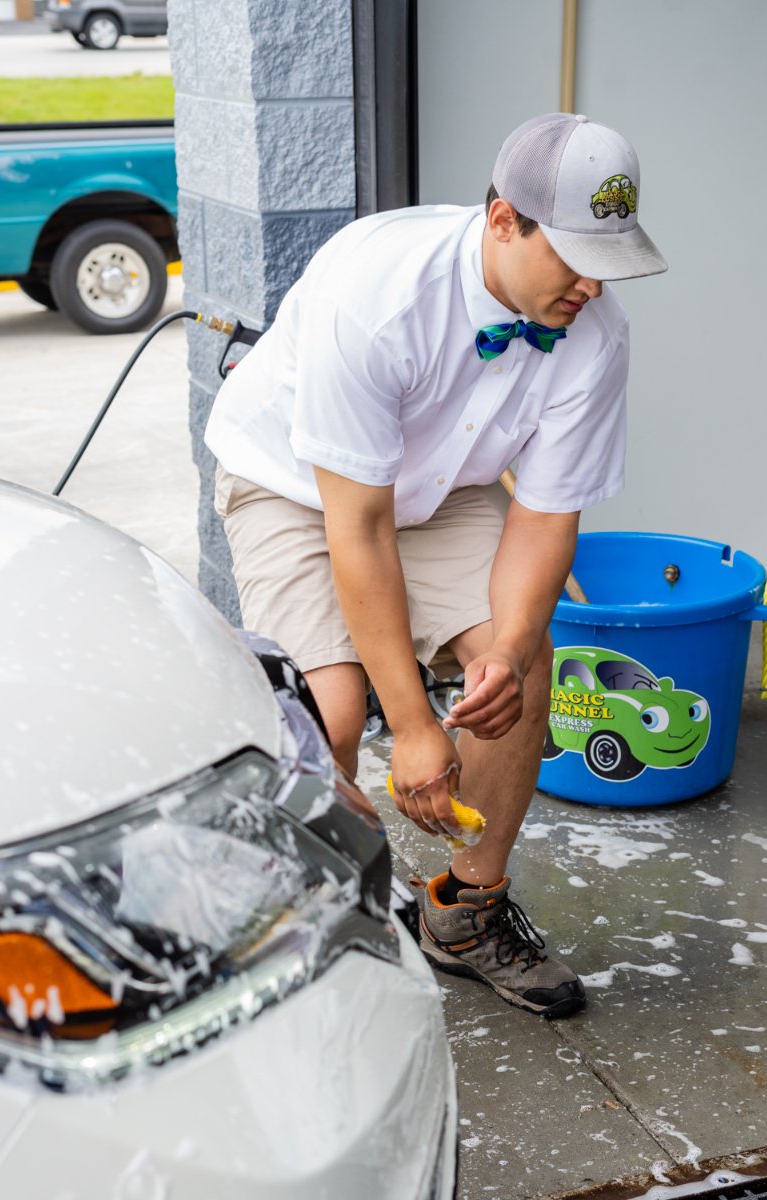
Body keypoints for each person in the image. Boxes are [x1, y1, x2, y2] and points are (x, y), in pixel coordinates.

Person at [205, 112, 666, 1019]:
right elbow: (359, 528)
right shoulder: (377, 293)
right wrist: (412, 725)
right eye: (571, 255)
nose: (590, 283)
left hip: (442, 487)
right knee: (329, 713)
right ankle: (296, 924)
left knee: (518, 670)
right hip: (300, 487)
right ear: (504, 220)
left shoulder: (595, 336)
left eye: (606, 259)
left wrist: (511, 647)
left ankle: (463, 913)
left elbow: (543, 519)